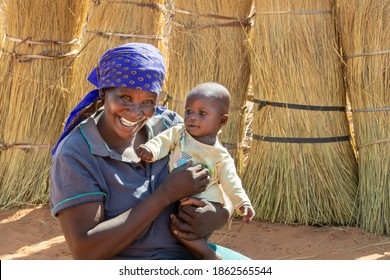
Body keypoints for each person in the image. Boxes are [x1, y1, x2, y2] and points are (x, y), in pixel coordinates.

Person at [50, 43, 249, 260]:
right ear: (104, 92)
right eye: (125, 97)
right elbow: (86, 252)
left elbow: (219, 171)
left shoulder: (171, 127)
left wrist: (220, 214)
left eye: (147, 101)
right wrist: (165, 194)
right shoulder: (77, 153)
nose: (136, 112)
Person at [136, 82, 255, 259]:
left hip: (206, 205)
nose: (192, 117)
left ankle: (209, 256)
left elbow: (232, 182)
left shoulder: (220, 156)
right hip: (181, 200)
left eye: (202, 113)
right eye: (189, 111)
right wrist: (151, 150)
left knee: (181, 230)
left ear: (222, 120)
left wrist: (242, 203)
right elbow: (163, 141)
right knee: (180, 233)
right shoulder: (180, 132)